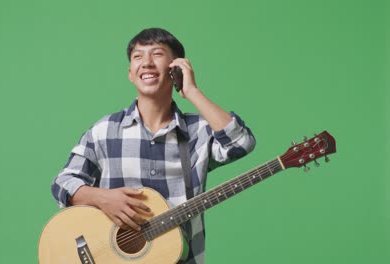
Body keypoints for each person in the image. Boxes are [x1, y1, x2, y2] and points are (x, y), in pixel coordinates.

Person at [51, 28, 256, 264]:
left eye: (157, 54)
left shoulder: (199, 130)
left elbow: (242, 143)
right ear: (130, 73)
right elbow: (62, 184)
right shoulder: (105, 130)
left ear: (175, 68)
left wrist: (191, 91)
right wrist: (101, 198)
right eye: (138, 56)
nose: (146, 63)